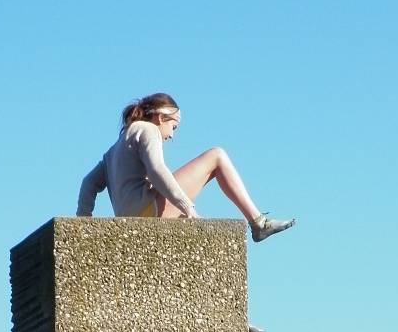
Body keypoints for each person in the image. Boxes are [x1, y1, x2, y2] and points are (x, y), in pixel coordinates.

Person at [76, 92, 295, 242]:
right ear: (161, 118)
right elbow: (156, 170)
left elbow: (88, 184)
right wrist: (186, 206)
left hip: (128, 218)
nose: (172, 135)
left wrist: (83, 224)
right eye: (174, 126)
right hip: (148, 212)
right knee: (217, 156)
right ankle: (258, 223)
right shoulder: (147, 129)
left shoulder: (113, 150)